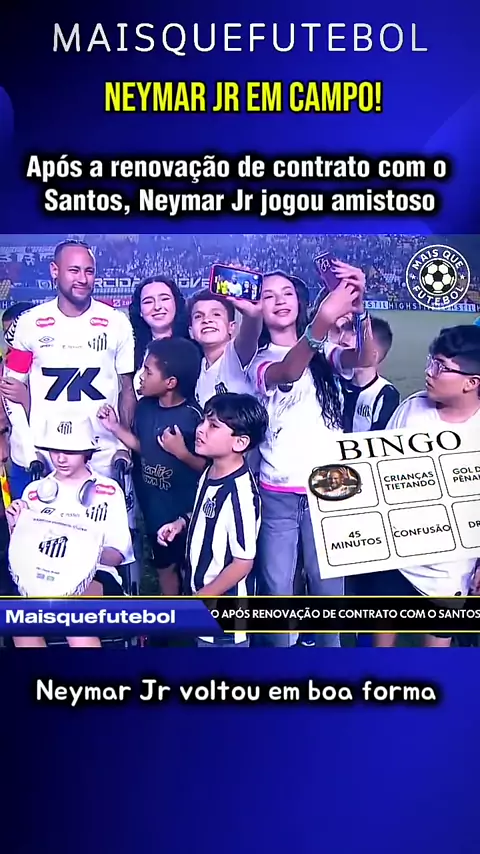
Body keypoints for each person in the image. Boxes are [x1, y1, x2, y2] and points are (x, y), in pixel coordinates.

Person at [247, 266, 373, 647]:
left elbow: (365, 357)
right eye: (268, 295)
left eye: (287, 292)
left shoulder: (326, 355)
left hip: (329, 490)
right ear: (257, 308)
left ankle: (329, 670)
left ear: (299, 302)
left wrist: (360, 311)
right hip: (278, 493)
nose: (279, 300)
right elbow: (288, 371)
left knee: (328, 593)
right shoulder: (257, 361)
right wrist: (323, 320)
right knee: (278, 592)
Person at [369, 325, 480, 648]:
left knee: (435, 660)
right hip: (395, 556)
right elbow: (379, 471)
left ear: (472, 383)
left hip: (450, 568)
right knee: (380, 651)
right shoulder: (411, 409)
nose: (429, 372)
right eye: (431, 361)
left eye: (441, 367)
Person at [1, 239, 136, 480]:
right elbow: (11, 389)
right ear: (55, 270)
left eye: (89, 271)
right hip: (42, 457)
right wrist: (29, 451)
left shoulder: (117, 323)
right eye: (74, 270)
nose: (83, 279)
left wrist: (123, 445)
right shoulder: (28, 323)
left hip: (102, 458)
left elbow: (127, 389)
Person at [5, 416, 132, 648]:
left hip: (95, 577)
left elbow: (117, 556)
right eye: (55, 450)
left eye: (70, 451)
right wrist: (16, 526)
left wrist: (81, 547)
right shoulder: (34, 491)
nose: (61, 458)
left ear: (86, 452)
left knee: (71, 608)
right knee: (19, 616)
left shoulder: (109, 491)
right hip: (40, 578)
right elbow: (23, 554)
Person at [157, 393, 268, 647]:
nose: (200, 429)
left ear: (240, 442)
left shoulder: (240, 496)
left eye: (214, 426)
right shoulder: (211, 471)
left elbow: (242, 563)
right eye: (203, 421)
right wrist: (182, 523)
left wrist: (201, 598)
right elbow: (207, 513)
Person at [98, 337, 204, 595]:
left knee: (193, 568)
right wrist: (115, 427)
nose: (141, 377)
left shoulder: (193, 417)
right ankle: (173, 616)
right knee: (164, 569)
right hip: (156, 510)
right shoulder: (145, 407)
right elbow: (144, 446)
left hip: (187, 512)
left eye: (148, 371)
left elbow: (209, 468)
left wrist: (181, 453)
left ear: (170, 383)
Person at [188, 289, 263, 408]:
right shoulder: (198, 369)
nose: (207, 320)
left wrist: (253, 315)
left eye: (216, 314)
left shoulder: (235, 355)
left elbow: (249, 335)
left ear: (231, 327)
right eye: (198, 316)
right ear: (191, 332)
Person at [336, 315, 400, 432]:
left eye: (348, 350)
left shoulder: (385, 394)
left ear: (372, 356)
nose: (340, 356)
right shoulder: (335, 384)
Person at [129, 276, 189, 396]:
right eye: (148, 301)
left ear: (176, 304)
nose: (157, 307)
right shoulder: (130, 351)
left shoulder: (195, 348)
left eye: (165, 299)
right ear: (140, 311)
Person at [0, 302, 35, 497]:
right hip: (20, 459)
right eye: (7, 334)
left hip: (56, 457)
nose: (12, 340)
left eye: (16, 332)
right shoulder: (6, 368)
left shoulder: (56, 363)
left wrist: (26, 400)